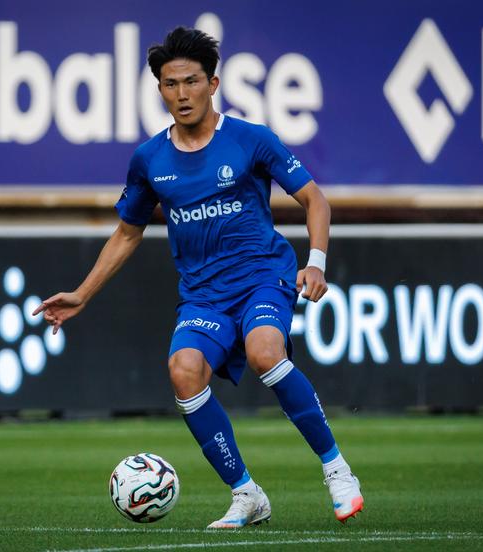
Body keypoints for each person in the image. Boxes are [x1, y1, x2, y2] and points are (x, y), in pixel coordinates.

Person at [34, 26, 363, 529]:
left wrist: (314, 261)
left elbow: (315, 199)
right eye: (170, 84)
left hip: (262, 277)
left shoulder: (251, 139)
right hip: (203, 297)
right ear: (160, 89)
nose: (181, 94)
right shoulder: (149, 160)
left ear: (213, 83)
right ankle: (247, 494)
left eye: (191, 81)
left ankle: (337, 469)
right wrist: (82, 293)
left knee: (264, 352)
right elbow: (127, 234)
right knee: (184, 373)